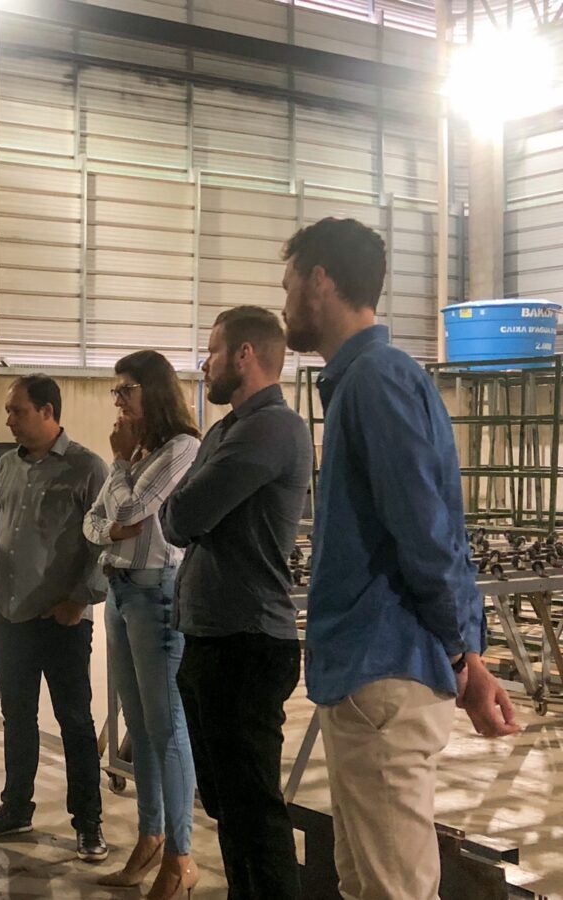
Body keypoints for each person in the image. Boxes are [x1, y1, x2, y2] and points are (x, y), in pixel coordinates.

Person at [282, 217, 519, 900]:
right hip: (370, 673)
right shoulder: (366, 381)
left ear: (321, 282)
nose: (285, 303)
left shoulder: (376, 381)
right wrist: (465, 658)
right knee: (366, 883)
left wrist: (461, 656)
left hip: (384, 673)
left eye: (289, 285)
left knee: (394, 891)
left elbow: (426, 534)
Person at [160, 306, 312, 899]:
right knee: (228, 808)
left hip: (246, 644)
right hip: (210, 637)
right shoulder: (227, 430)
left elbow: (182, 516)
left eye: (214, 350)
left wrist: (183, 506)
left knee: (255, 813)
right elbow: (181, 515)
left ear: (245, 355)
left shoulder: (272, 428)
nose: (205, 364)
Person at [0, 375, 110, 862]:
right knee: (18, 717)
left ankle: (88, 821)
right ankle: (15, 808)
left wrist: (79, 601)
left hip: (61, 620)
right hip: (9, 615)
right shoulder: (6, 465)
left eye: (18, 411)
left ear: (48, 411)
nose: (9, 419)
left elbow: (103, 543)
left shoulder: (87, 468)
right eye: (9, 411)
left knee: (74, 720)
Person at [83, 351, 201, 899]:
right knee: (138, 725)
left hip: (156, 596)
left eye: (125, 390)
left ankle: (181, 854)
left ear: (154, 391)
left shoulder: (181, 449)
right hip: (119, 592)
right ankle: (150, 836)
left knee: (166, 726)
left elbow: (131, 512)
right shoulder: (137, 453)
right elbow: (94, 523)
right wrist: (112, 525)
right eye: (115, 391)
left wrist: (120, 466)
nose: (118, 401)